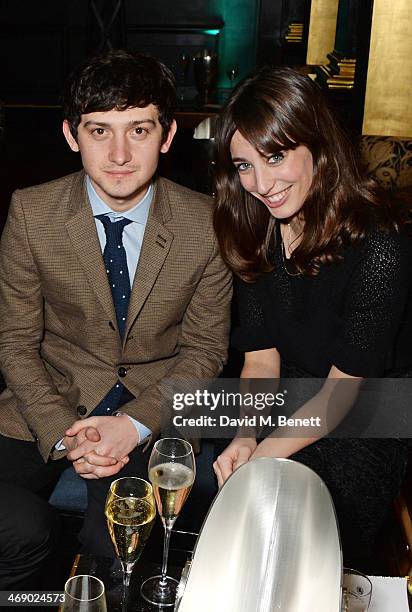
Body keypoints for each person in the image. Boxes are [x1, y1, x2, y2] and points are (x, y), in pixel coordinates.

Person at [0, 49, 231, 585]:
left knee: (119, 549)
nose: (120, 154)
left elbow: (205, 351)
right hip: (46, 400)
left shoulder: (207, 224)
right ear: (70, 135)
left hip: (155, 406)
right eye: (99, 131)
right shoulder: (31, 214)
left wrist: (134, 424)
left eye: (140, 130)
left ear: (168, 135)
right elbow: (14, 342)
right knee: (19, 530)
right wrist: (64, 432)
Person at [212, 66, 412, 571]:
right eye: (244, 166)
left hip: (369, 411)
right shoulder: (253, 230)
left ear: (317, 146)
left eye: (276, 157)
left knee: (298, 533)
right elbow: (260, 362)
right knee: (233, 519)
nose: (261, 184)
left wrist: (262, 460)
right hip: (295, 397)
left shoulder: (381, 244)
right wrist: (245, 435)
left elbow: (341, 395)